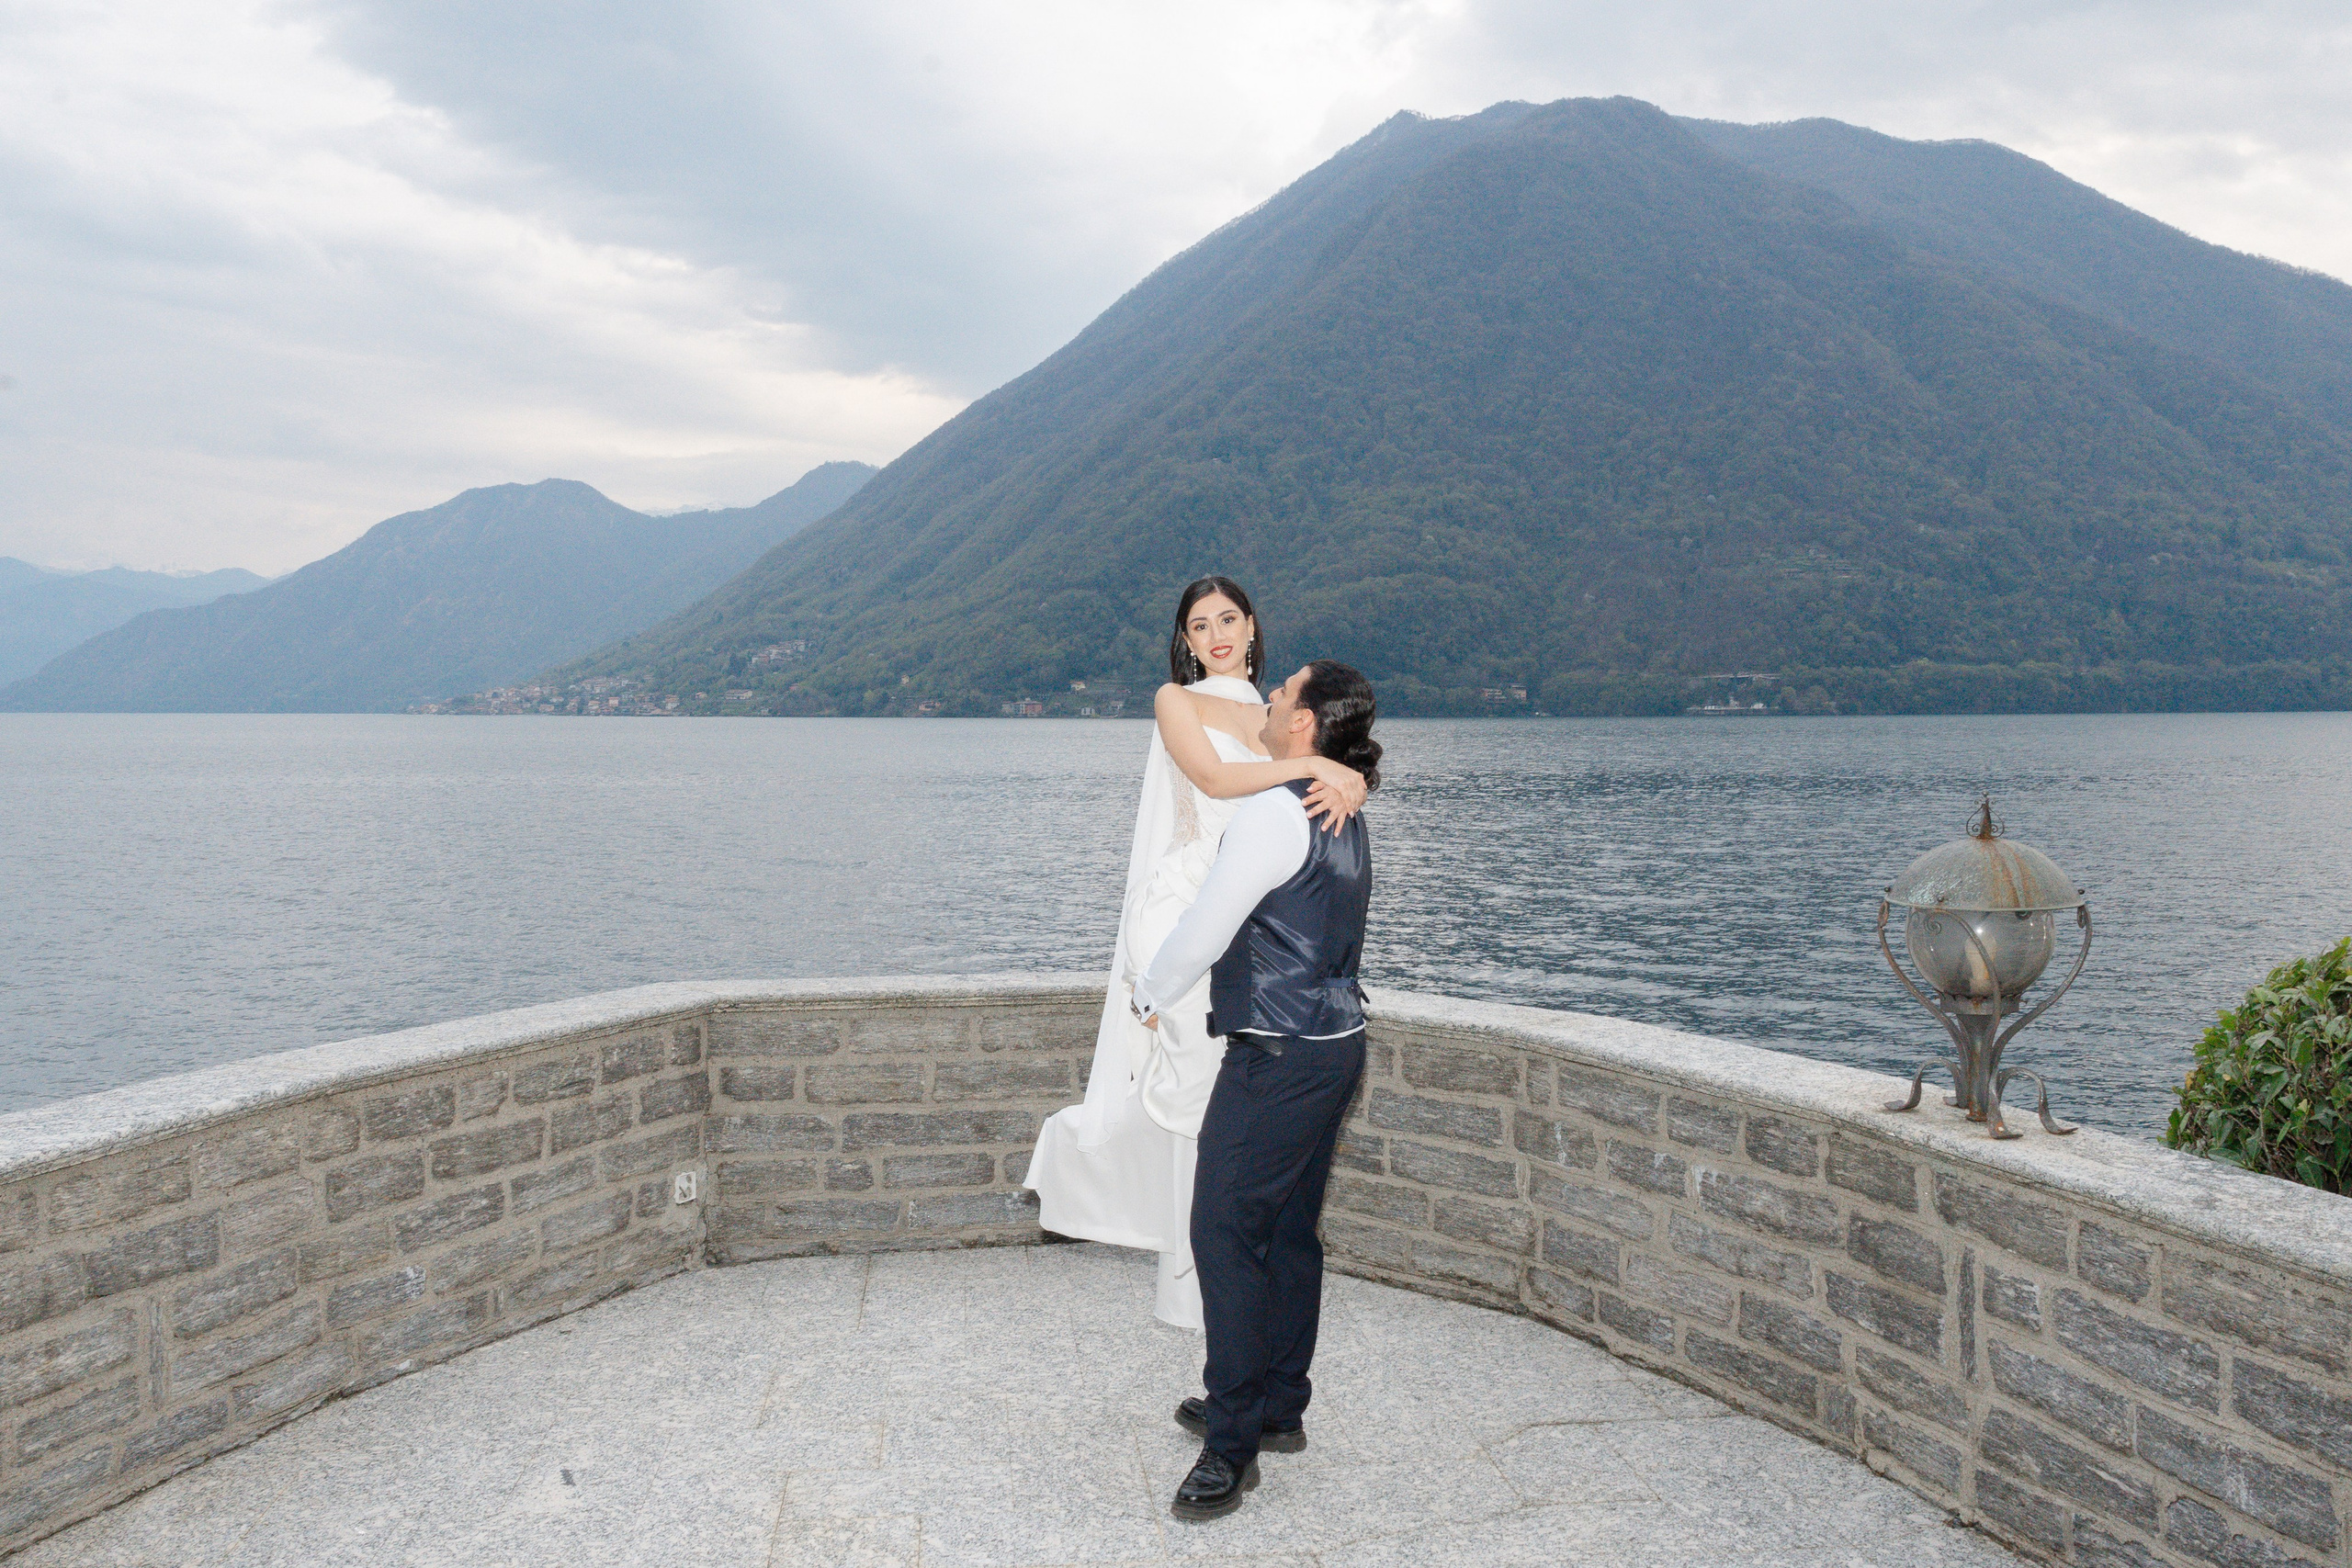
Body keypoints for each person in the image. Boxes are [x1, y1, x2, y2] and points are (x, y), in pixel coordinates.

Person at [1024, 578, 1366, 1330]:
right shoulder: (1175, 700)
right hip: (1184, 906)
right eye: (1199, 625)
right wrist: (1316, 768)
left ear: (1253, 626)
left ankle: (1219, 1288)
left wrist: (1348, 783)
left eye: (1228, 619)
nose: (1216, 635)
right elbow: (1214, 779)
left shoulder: (1277, 713)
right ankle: (1193, 1284)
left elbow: (1312, 803)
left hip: (1253, 918)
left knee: (1227, 1098)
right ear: (1184, 639)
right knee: (1194, 1093)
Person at [1129, 660, 1380, 1522]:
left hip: (1277, 1052)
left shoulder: (1278, 810)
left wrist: (1149, 992)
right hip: (1337, 1044)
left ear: (1303, 723)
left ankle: (1231, 1443)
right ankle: (1279, 1402)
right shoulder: (1339, 806)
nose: (1268, 700)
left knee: (1225, 1232)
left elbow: (1209, 924)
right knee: (1289, 1230)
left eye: (1282, 696)